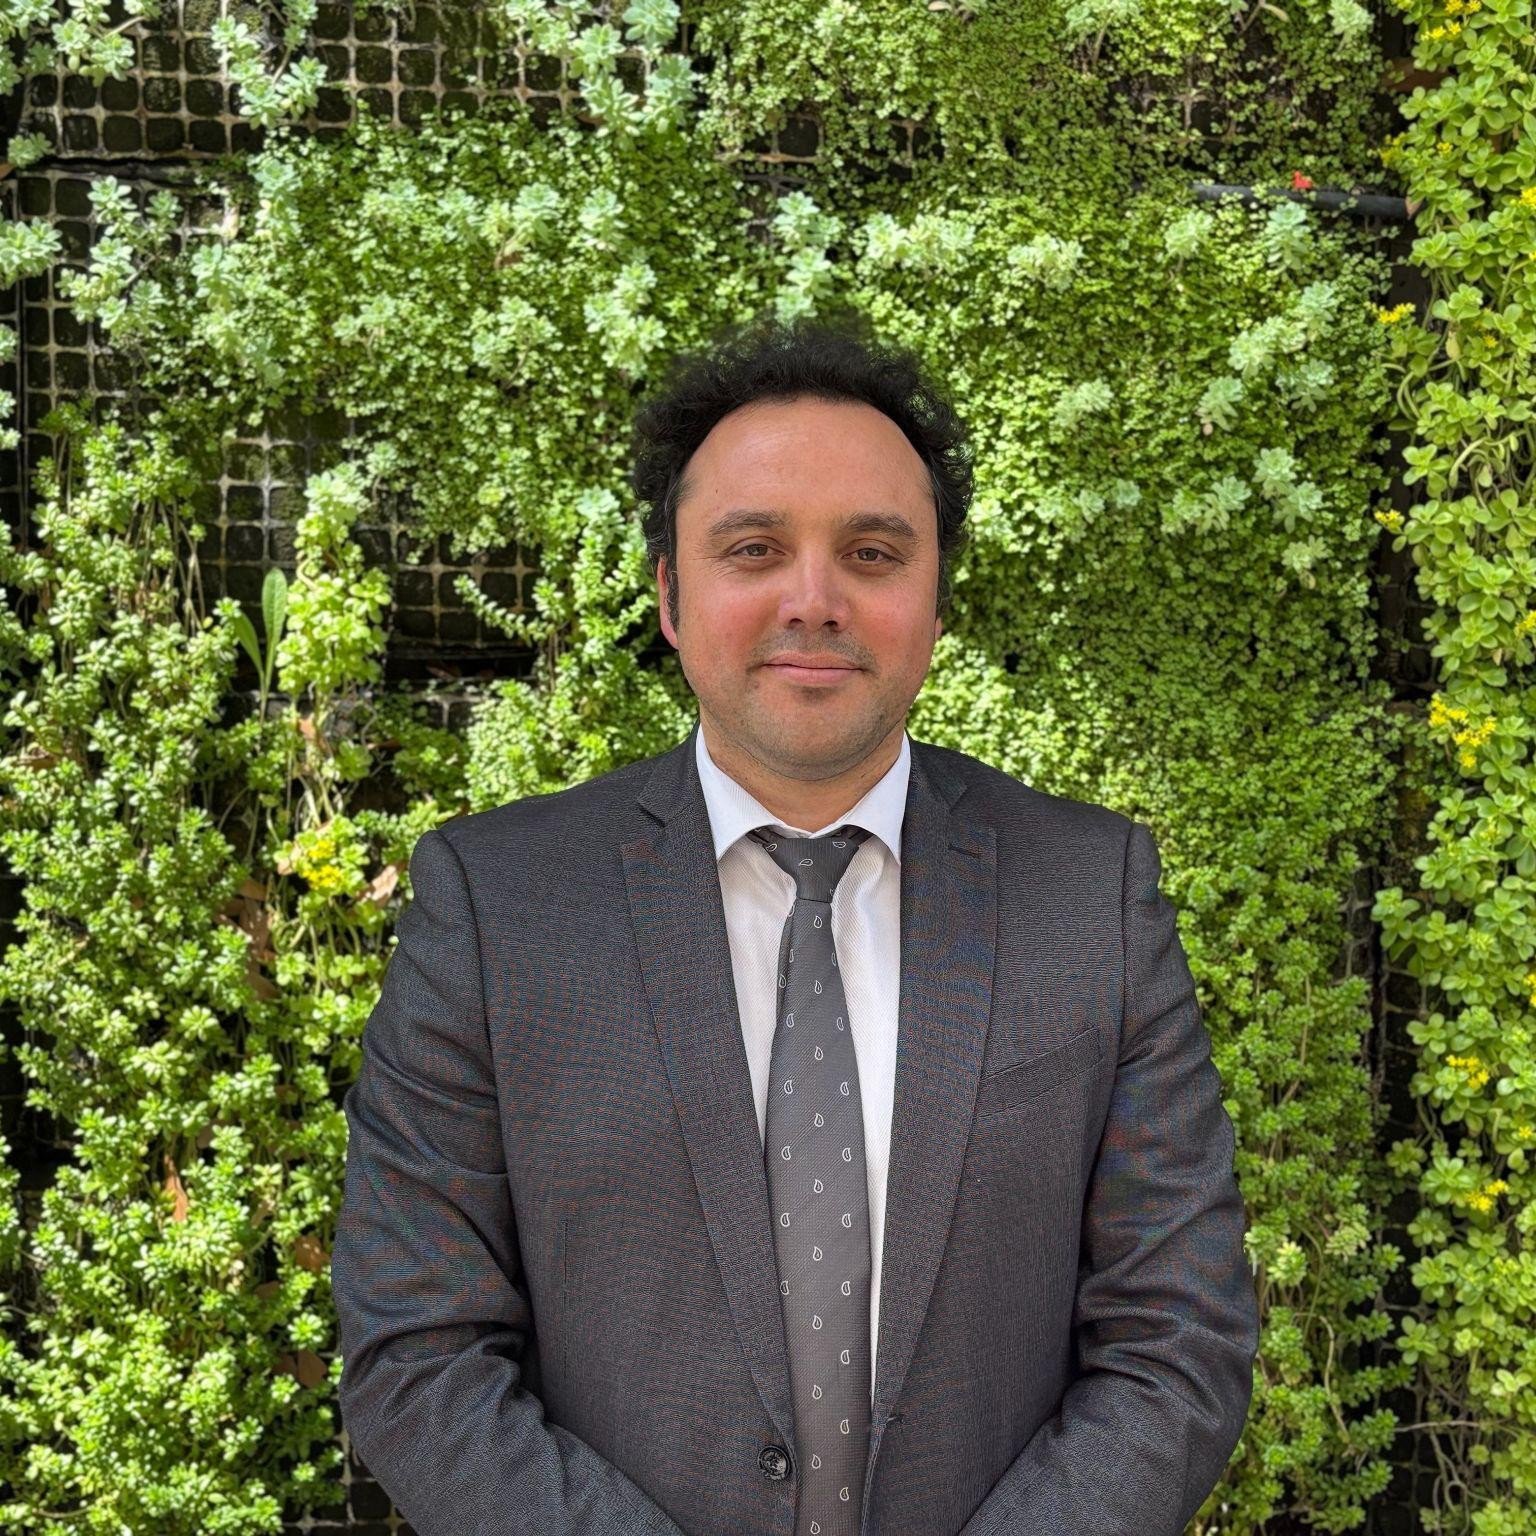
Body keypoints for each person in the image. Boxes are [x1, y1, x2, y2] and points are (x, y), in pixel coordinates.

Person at [331, 313, 1260, 1536]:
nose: (813, 600)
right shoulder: (499, 907)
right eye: (754, 548)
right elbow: (417, 1350)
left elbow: (1179, 1336)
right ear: (670, 594)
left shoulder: (1090, 897)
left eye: (872, 553)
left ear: (937, 601)